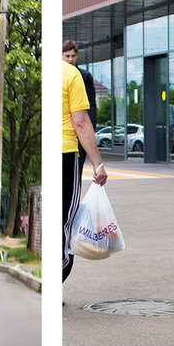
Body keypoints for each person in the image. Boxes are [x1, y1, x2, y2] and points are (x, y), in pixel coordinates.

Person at [63, 58, 107, 282]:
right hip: (65, 153)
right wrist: (97, 164)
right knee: (64, 220)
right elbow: (81, 123)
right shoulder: (71, 75)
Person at [62, 40, 96, 161]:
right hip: (68, 132)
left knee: (79, 163)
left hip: (81, 127)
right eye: (67, 56)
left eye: (73, 56)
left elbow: (91, 104)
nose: (70, 59)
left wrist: (91, 126)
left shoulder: (84, 76)